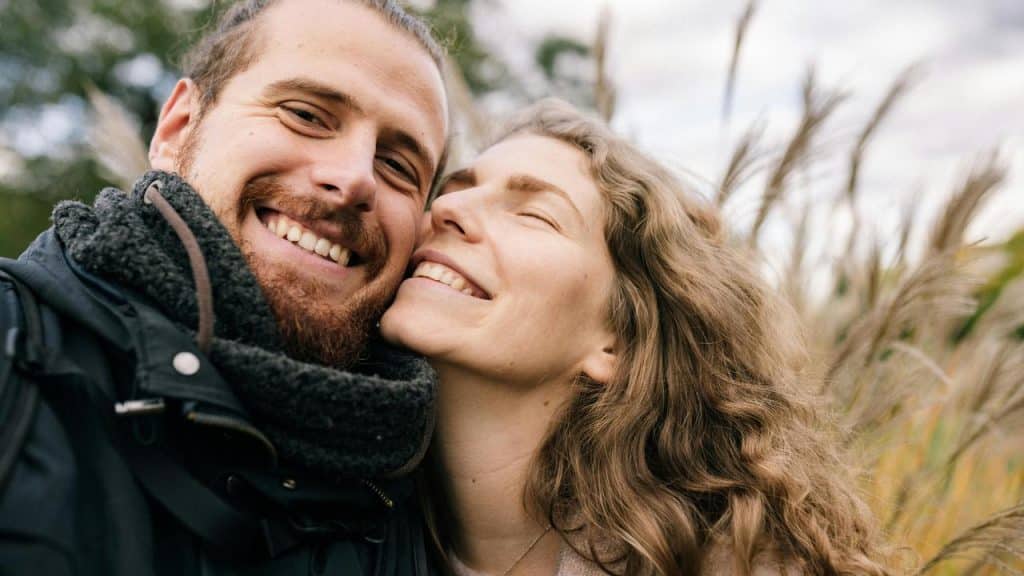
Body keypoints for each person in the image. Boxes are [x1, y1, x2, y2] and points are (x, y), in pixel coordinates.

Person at [0, 0, 447, 574]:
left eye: (398, 167)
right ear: (178, 127)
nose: (356, 176)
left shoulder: (424, 506)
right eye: (307, 115)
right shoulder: (14, 348)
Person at [380, 99, 892, 576]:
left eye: (534, 214)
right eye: (453, 189)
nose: (449, 211)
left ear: (618, 342)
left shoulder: (723, 562)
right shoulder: (344, 520)